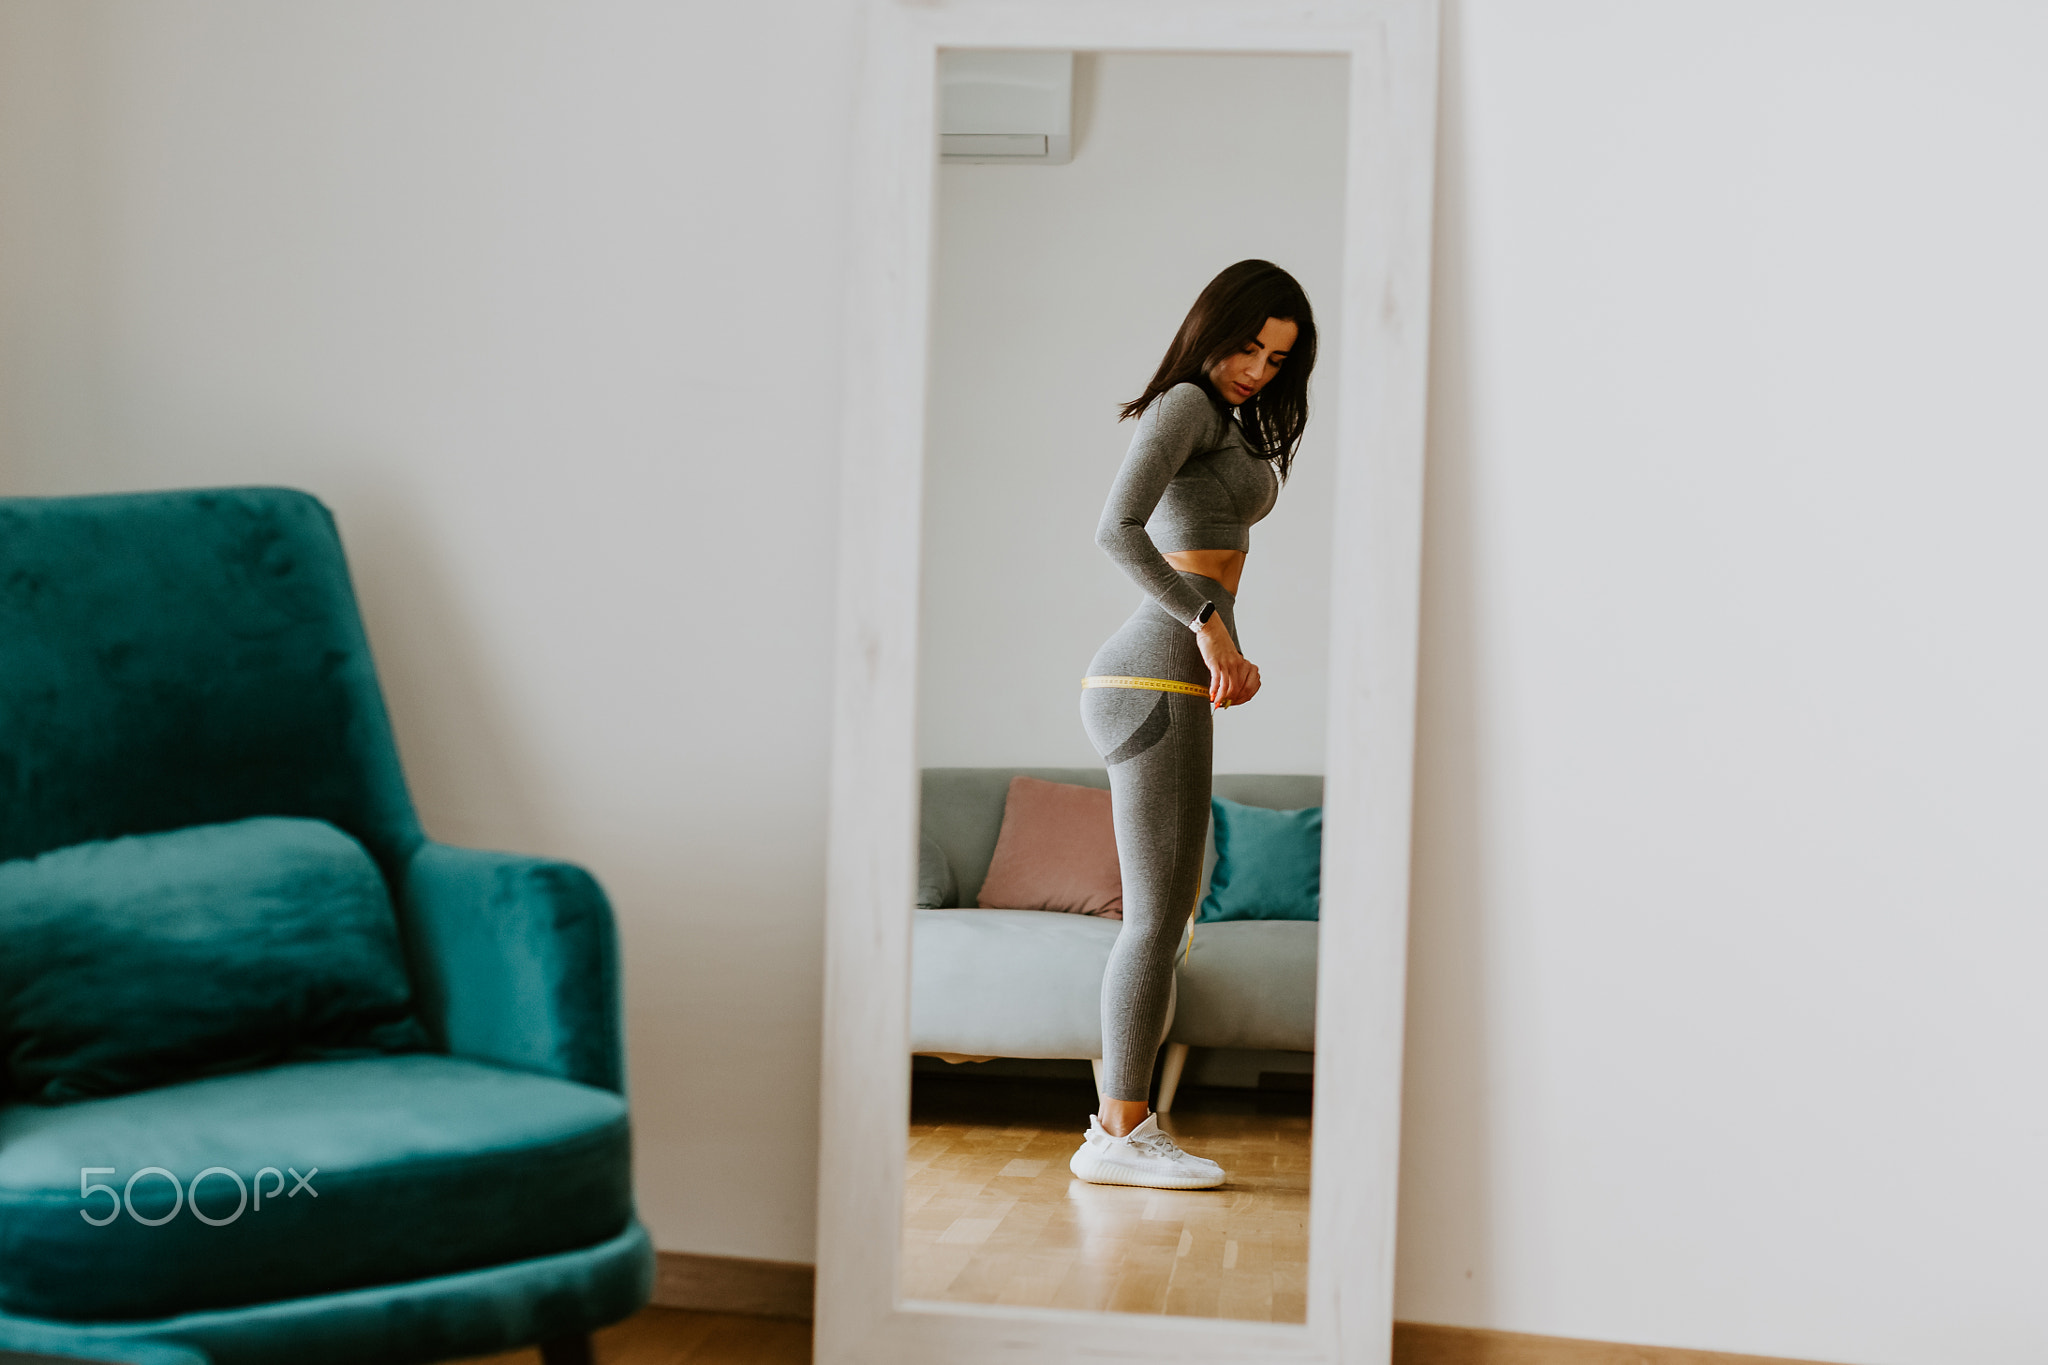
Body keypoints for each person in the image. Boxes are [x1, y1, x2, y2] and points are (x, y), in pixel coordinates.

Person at [1069, 259, 1317, 1190]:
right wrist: (1212, 628)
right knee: (1156, 917)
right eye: (1248, 345)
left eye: (1278, 358)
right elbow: (1115, 528)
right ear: (1210, 329)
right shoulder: (1182, 402)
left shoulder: (1221, 419)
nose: (1258, 368)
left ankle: (1123, 1126)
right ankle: (1119, 1133)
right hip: (1151, 671)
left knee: (1167, 911)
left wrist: (1220, 643)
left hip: (1167, 673)